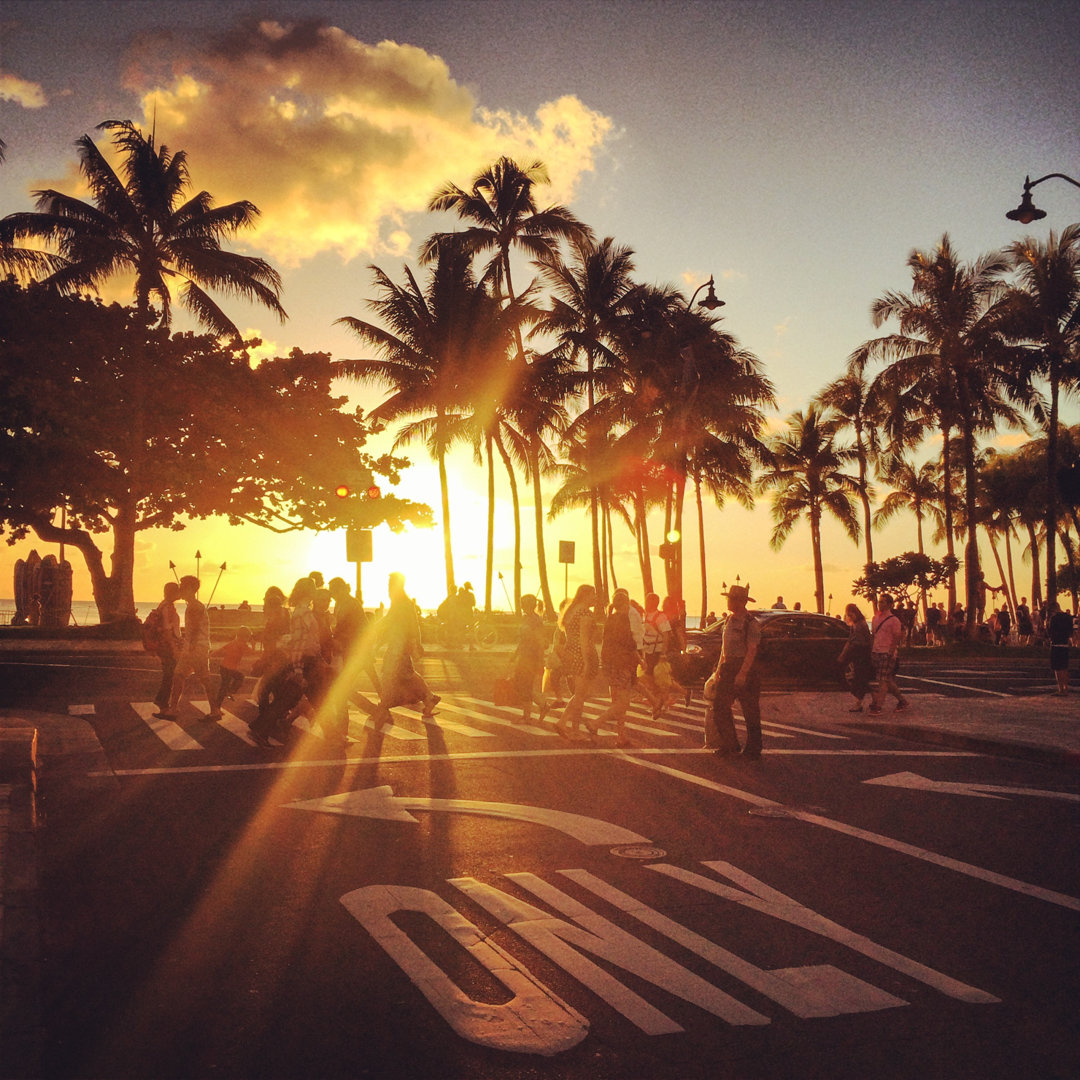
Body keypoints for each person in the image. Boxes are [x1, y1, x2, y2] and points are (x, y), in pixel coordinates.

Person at [703, 584, 762, 759]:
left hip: (745, 668)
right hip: (728, 667)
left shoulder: (751, 623)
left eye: (731, 599)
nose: (728, 601)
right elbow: (724, 648)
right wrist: (719, 668)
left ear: (741, 602)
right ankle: (729, 744)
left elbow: (752, 650)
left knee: (750, 711)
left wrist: (742, 673)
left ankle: (753, 749)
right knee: (720, 707)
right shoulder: (728, 620)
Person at [372, 572, 440, 723]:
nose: (388, 587)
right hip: (398, 645)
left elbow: (394, 622)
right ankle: (429, 698)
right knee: (407, 675)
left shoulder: (402, 603)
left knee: (391, 674)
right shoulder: (401, 602)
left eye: (390, 583)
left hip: (400, 646)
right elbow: (394, 624)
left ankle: (384, 705)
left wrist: (371, 628)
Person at [157, 576, 212, 719]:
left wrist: (189, 649)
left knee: (201, 678)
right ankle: (173, 708)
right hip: (196, 647)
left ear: (189, 588)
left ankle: (215, 709)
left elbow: (193, 630)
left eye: (182, 585)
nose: (180, 588)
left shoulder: (194, 607)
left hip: (195, 648)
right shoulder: (195, 605)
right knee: (179, 676)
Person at [594, 591, 638, 746]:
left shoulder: (610, 619)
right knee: (623, 702)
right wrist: (638, 657)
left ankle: (621, 736)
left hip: (610, 663)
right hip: (622, 663)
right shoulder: (623, 619)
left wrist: (604, 663)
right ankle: (597, 723)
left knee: (616, 700)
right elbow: (629, 643)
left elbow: (606, 642)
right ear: (625, 604)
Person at [554, 584, 598, 740]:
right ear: (585, 595)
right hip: (581, 655)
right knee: (580, 695)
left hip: (571, 654)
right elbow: (584, 640)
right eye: (593, 594)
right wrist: (587, 661)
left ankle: (563, 722)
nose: (595, 598)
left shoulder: (571, 612)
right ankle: (574, 731)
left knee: (579, 694)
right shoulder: (585, 613)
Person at [510, 594, 549, 724]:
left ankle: (530, 714)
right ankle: (537, 708)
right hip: (524, 656)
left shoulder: (535, 620)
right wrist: (515, 655)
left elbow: (539, 642)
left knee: (525, 686)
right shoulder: (526, 619)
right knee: (521, 685)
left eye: (522, 603)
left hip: (531, 658)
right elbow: (522, 640)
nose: (521, 606)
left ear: (528, 605)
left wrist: (540, 660)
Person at [869, 594, 908, 714]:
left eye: (883, 602)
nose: (880, 604)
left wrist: (891, 652)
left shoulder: (894, 620)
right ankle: (902, 700)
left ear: (890, 604)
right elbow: (875, 635)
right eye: (880, 602)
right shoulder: (875, 618)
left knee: (883, 681)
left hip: (887, 652)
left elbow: (896, 637)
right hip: (876, 651)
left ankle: (878, 706)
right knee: (887, 680)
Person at [208, 626, 254, 718]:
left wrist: (210, 655)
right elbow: (250, 652)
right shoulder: (242, 644)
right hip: (229, 669)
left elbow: (221, 650)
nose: (248, 639)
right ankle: (229, 692)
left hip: (224, 668)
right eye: (248, 637)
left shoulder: (233, 643)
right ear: (244, 637)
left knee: (224, 687)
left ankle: (218, 707)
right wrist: (253, 645)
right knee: (240, 678)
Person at [151, 581, 183, 711]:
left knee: (169, 673)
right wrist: (174, 648)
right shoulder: (167, 607)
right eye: (178, 590)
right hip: (168, 645)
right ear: (173, 592)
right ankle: (162, 701)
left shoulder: (163, 605)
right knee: (171, 673)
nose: (180, 593)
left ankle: (162, 700)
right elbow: (167, 629)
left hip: (164, 644)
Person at [837, 603, 873, 712]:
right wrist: (844, 654)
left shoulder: (861, 625)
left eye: (850, 614)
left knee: (860, 679)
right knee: (860, 679)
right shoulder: (856, 625)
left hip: (862, 653)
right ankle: (872, 700)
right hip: (858, 653)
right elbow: (850, 640)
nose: (849, 616)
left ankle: (860, 703)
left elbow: (864, 640)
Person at [1047, 602, 1073, 695]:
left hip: (1056, 644)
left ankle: (1060, 689)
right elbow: (1071, 631)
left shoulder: (1054, 618)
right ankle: (1066, 687)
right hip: (1065, 644)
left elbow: (1050, 632)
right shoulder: (1068, 617)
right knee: (1064, 667)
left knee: (1057, 668)